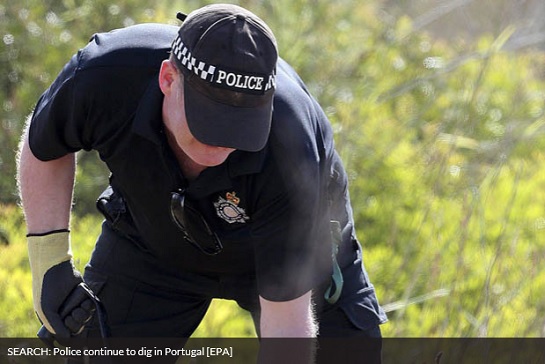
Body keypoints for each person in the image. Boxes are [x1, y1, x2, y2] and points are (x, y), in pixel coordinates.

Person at [17, 3, 387, 363]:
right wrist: (49, 263)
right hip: (154, 239)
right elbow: (44, 148)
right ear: (167, 78)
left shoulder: (291, 148)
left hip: (288, 255)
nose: (222, 140)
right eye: (208, 119)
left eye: (239, 125)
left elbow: (287, 327)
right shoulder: (106, 76)